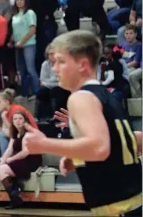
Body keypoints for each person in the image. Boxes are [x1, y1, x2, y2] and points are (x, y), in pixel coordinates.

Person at [23, 30, 142, 217]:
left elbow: (100, 148)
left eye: (61, 62)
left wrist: (44, 144)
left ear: (83, 65)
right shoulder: (105, 95)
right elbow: (131, 139)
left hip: (118, 207)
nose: (55, 69)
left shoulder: (80, 98)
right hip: (134, 203)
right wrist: (79, 157)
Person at [0, 111, 42, 209]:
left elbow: (25, 152)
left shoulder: (28, 134)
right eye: (15, 119)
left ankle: (15, 197)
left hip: (30, 160)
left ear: (25, 121)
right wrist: (3, 161)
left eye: (20, 119)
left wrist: (10, 159)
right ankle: (15, 193)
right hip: (19, 159)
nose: (18, 121)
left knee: (1, 170)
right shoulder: (15, 133)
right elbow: (9, 149)